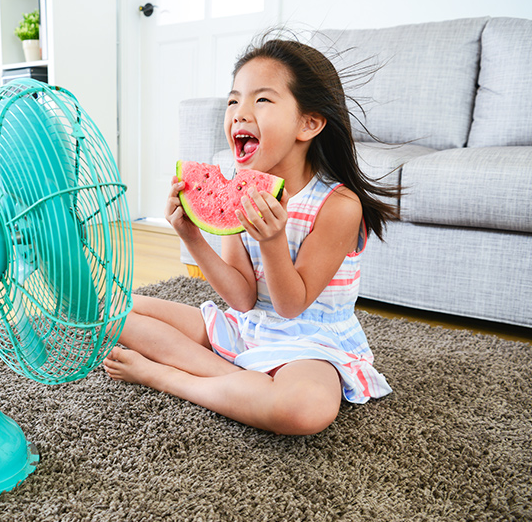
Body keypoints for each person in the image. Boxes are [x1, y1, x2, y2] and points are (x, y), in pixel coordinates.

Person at [103, 34, 399, 436]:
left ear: (308, 123)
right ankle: (236, 378)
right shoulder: (241, 186)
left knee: (303, 410)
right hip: (250, 326)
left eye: (261, 100)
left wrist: (272, 241)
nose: (239, 113)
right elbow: (242, 298)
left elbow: (292, 305)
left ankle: (170, 377)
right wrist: (191, 235)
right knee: (108, 311)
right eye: (233, 100)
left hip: (310, 342)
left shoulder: (338, 207)